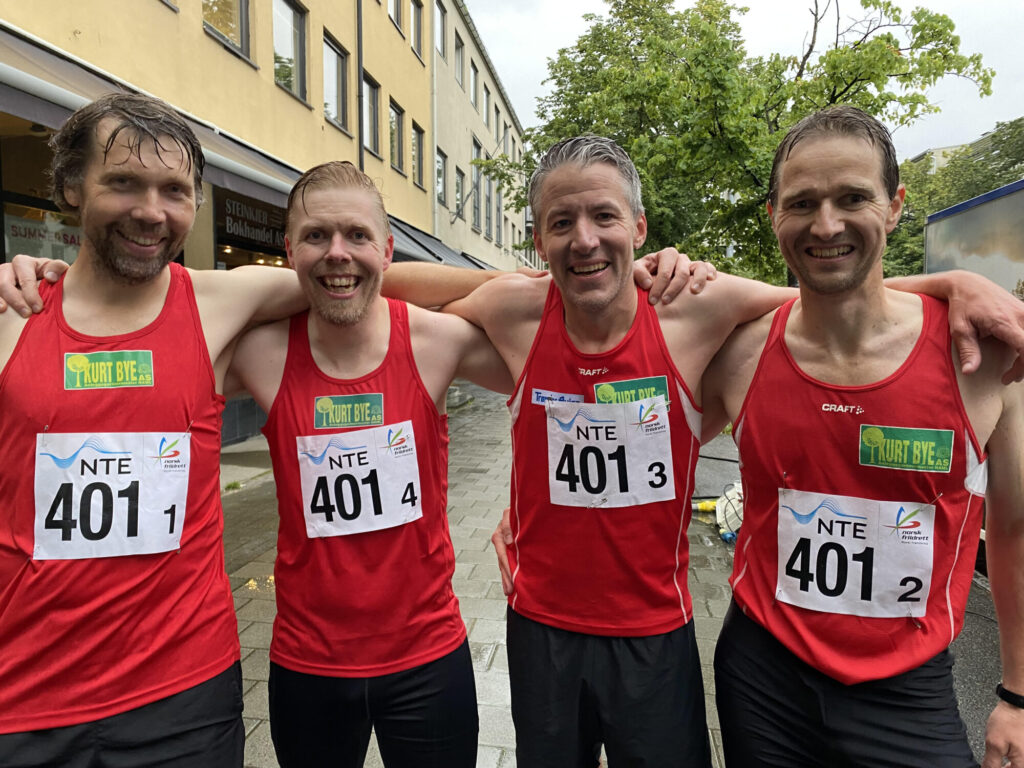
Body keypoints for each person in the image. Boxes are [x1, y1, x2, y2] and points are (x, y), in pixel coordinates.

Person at [380, 133, 1024, 767]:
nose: (583, 237)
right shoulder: (515, 308)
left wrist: (954, 284)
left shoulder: (698, 308)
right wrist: (536, 271)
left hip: (665, 636)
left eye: (604, 218)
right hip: (575, 634)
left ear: (638, 227)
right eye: (561, 223)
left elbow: (832, 291)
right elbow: (386, 287)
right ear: (538, 236)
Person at [700, 105, 1024, 768]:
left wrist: (1017, 696)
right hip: (763, 678)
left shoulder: (987, 359)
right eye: (803, 203)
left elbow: (1016, 528)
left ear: (896, 206)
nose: (826, 224)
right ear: (774, 216)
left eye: (853, 198)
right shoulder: (737, 353)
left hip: (909, 690)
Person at [0, 92, 310, 766]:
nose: (151, 211)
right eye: (123, 183)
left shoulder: (218, 300)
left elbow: (361, 277)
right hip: (24, 698)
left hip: (184, 694)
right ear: (71, 189)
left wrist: (540, 289)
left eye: (174, 189)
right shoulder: (12, 313)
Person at [222, 161, 514, 767]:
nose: (336, 254)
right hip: (309, 664)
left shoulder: (438, 341)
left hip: (428, 657)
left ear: (387, 249)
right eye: (315, 237)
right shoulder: (259, 351)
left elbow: (542, 321)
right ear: (289, 249)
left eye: (356, 236)